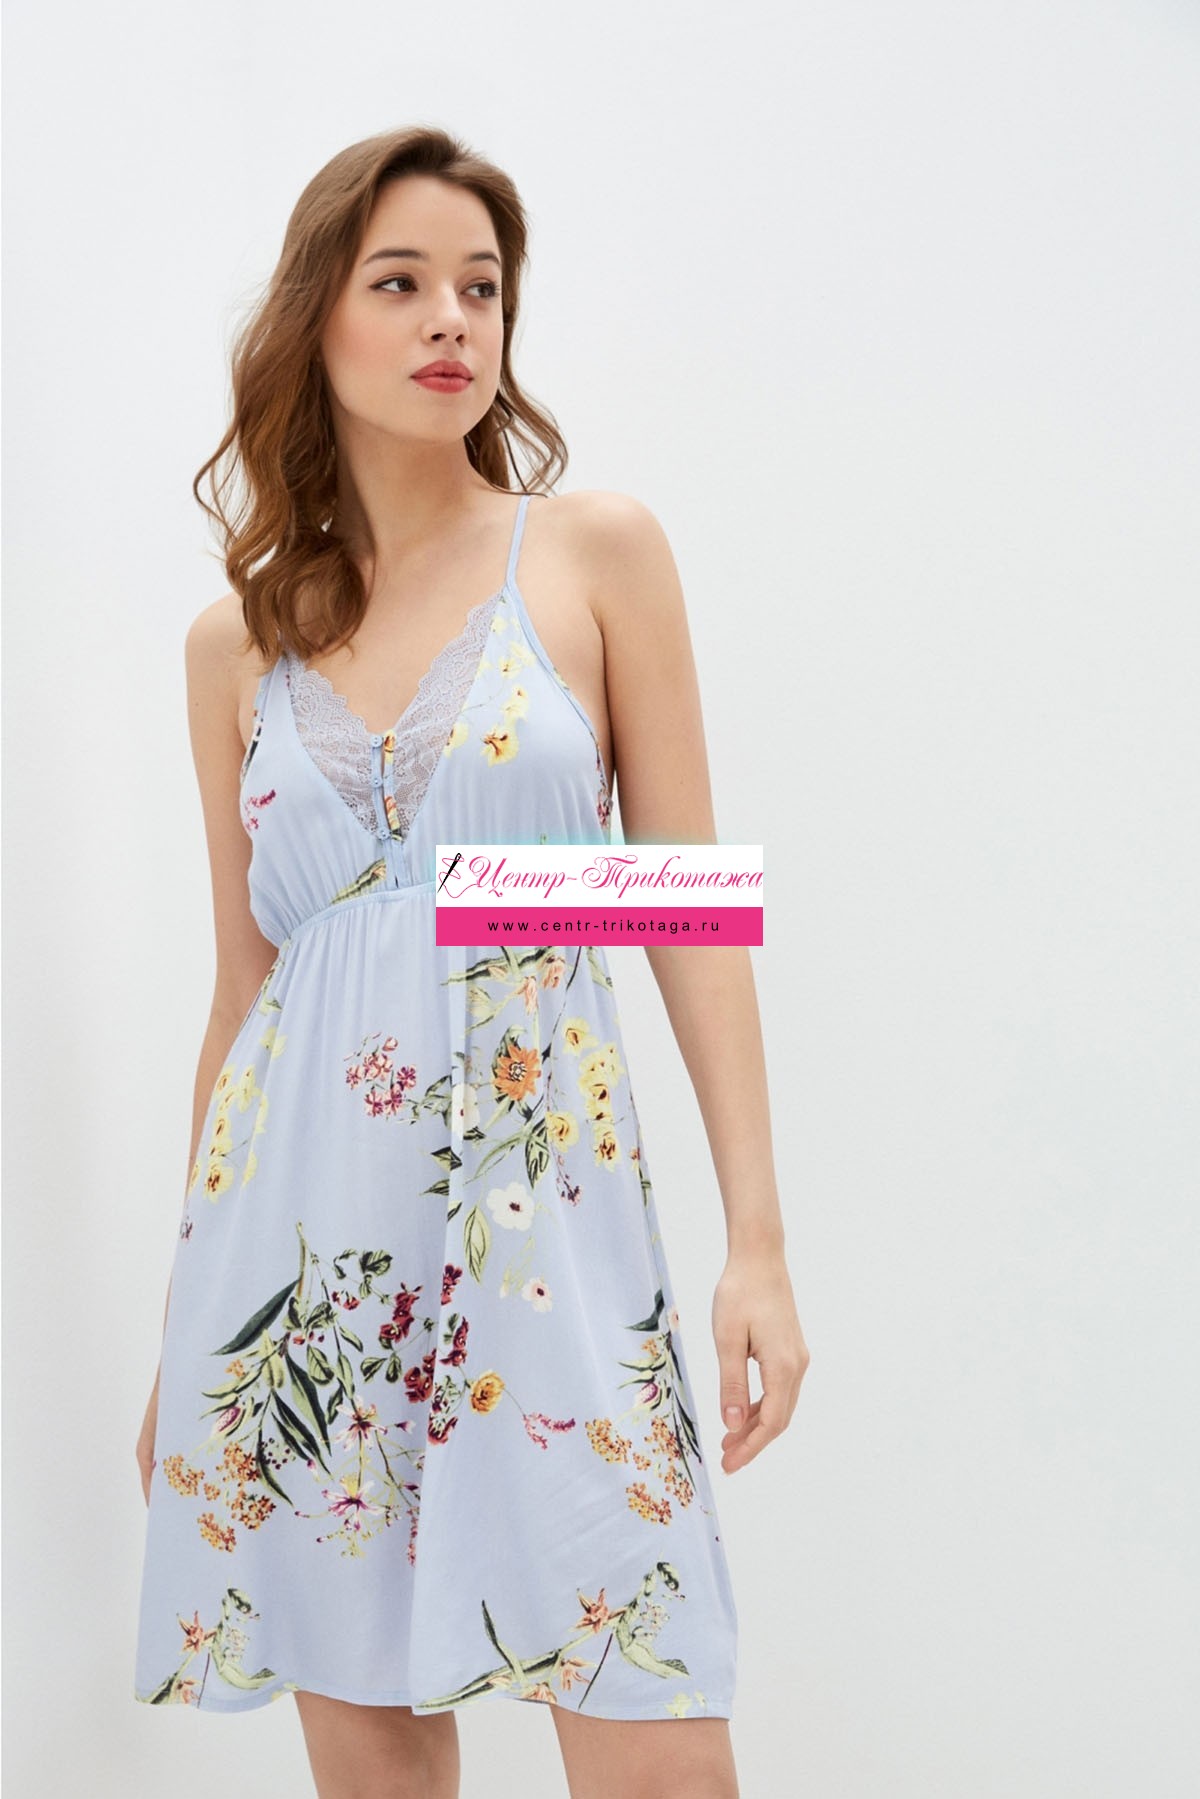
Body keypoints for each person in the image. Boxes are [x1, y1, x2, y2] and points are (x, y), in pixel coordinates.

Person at [133, 124, 809, 1799]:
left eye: (483, 287)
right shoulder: (236, 646)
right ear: (316, 320)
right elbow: (245, 997)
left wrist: (759, 1243)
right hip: (300, 1260)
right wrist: (182, 1332)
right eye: (401, 282)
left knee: (655, 1731)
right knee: (373, 1764)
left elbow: (684, 903)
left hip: (547, 1233)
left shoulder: (589, 554)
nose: (453, 317)